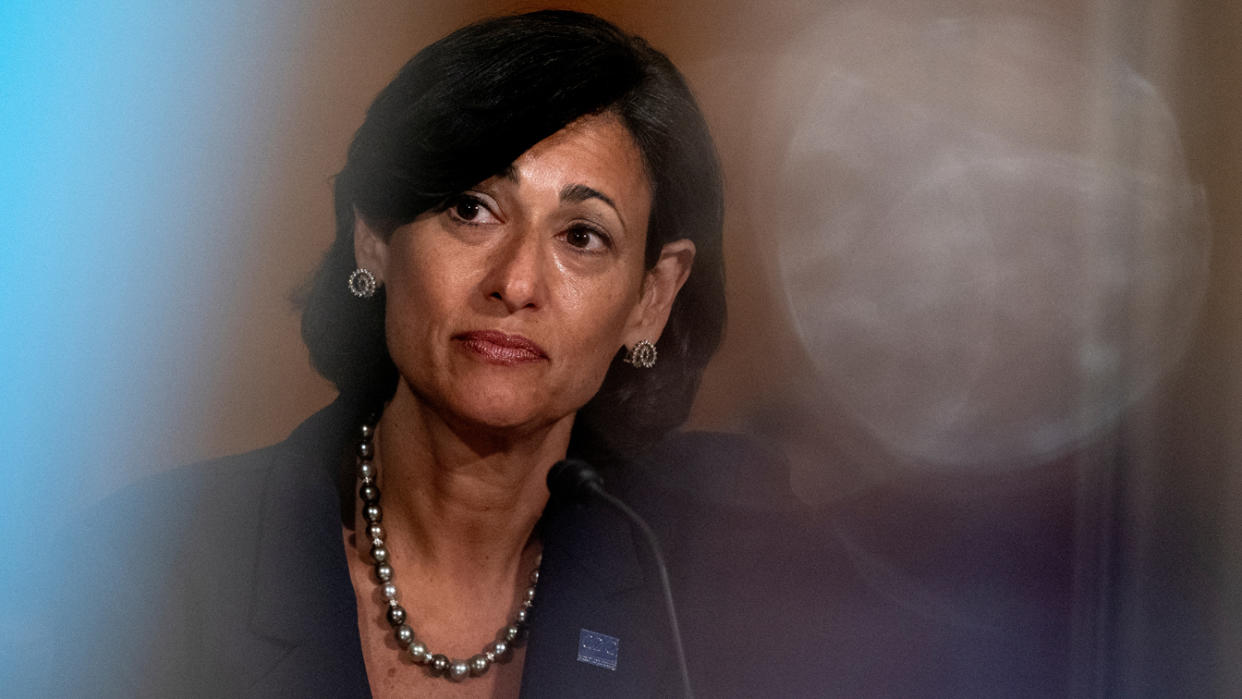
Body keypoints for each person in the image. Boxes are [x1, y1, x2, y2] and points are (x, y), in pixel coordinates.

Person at [49, 10, 805, 698]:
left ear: (652, 297)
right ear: (374, 236)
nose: (515, 282)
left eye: (582, 236)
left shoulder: (722, 592)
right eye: (471, 209)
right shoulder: (146, 578)